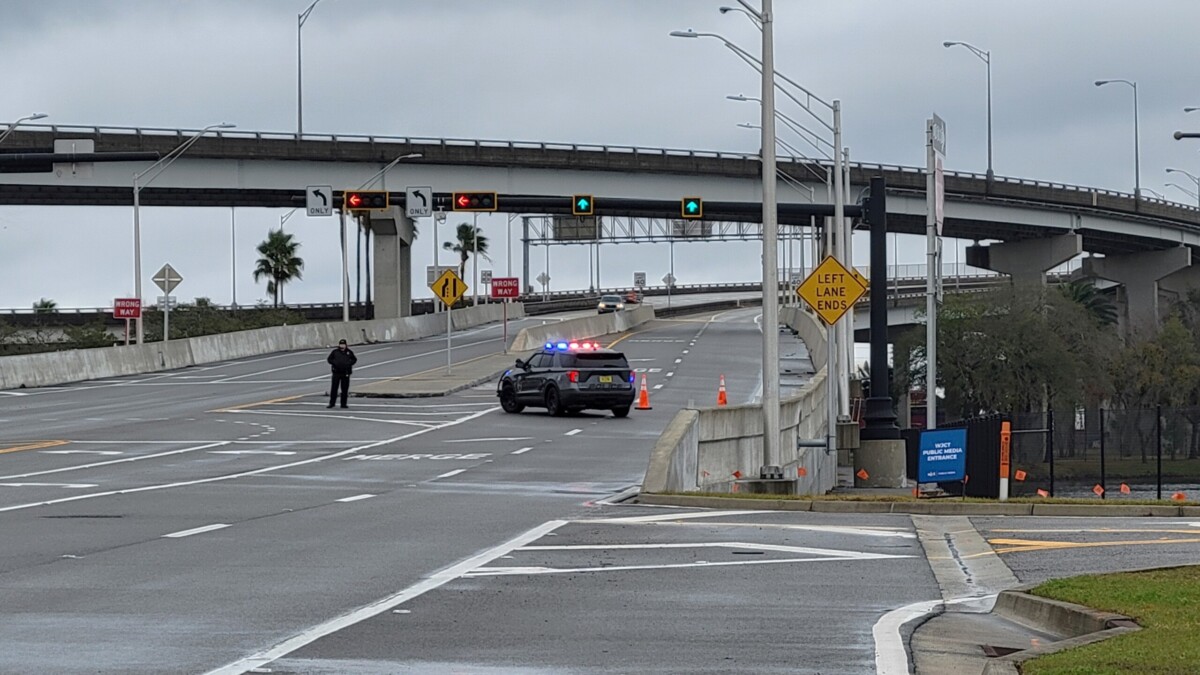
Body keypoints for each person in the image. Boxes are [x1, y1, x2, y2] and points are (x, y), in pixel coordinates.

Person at [327, 339, 357, 409]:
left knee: (344, 389)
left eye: (343, 344)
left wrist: (349, 364)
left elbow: (354, 359)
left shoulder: (349, 352)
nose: (342, 345)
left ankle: (343, 404)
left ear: (346, 345)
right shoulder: (335, 352)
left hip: (345, 373)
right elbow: (329, 359)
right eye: (341, 344)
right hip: (336, 373)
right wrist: (334, 363)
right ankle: (332, 403)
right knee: (334, 389)